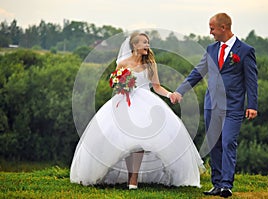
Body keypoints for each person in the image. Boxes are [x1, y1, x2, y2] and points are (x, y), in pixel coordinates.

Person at [70, 31, 205, 189]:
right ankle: (128, 176)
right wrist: (120, 85)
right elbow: (114, 83)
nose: (147, 45)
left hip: (146, 103)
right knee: (127, 141)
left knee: (140, 141)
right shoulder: (122, 63)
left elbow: (156, 86)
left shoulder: (150, 64)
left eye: (148, 42)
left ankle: (133, 179)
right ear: (134, 45)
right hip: (125, 102)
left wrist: (170, 95)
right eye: (143, 42)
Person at [170, 13, 258, 198]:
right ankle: (217, 184)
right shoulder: (211, 49)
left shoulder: (245, 50)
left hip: (233, 106)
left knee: (228, 142)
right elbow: (198, 72)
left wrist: (252, 105)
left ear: (223, 28)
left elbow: (251, 80)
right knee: (214, 144)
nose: (210, 32)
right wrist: (180, 91)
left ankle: (227, 185)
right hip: (212, 105)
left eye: (212, 28)